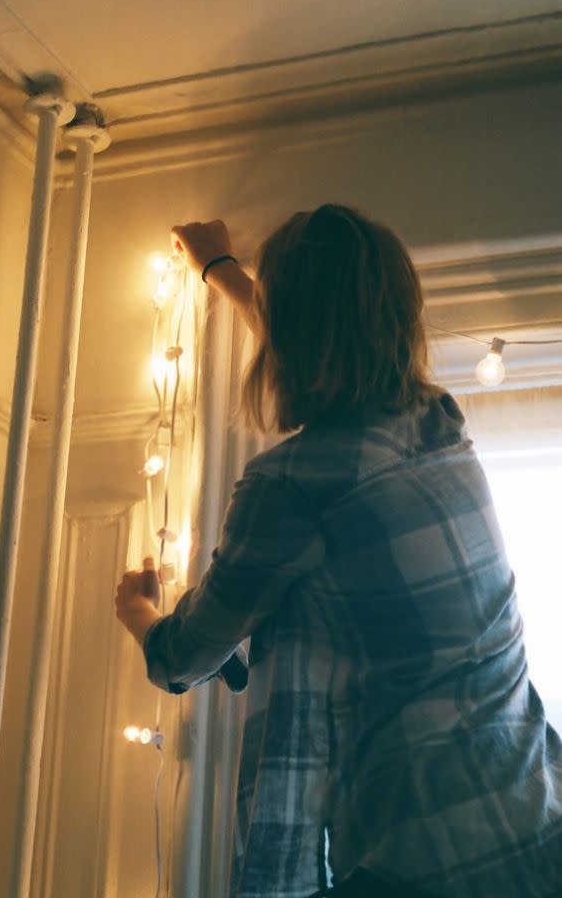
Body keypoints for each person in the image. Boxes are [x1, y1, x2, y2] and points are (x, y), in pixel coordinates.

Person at [115, 205, 562, 898]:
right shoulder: (437, 422)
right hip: (540, 818)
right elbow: (335, 345)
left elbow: (184, 656)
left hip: (432, 859)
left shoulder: (292, 485)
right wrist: (223, 273)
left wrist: (139, 612)